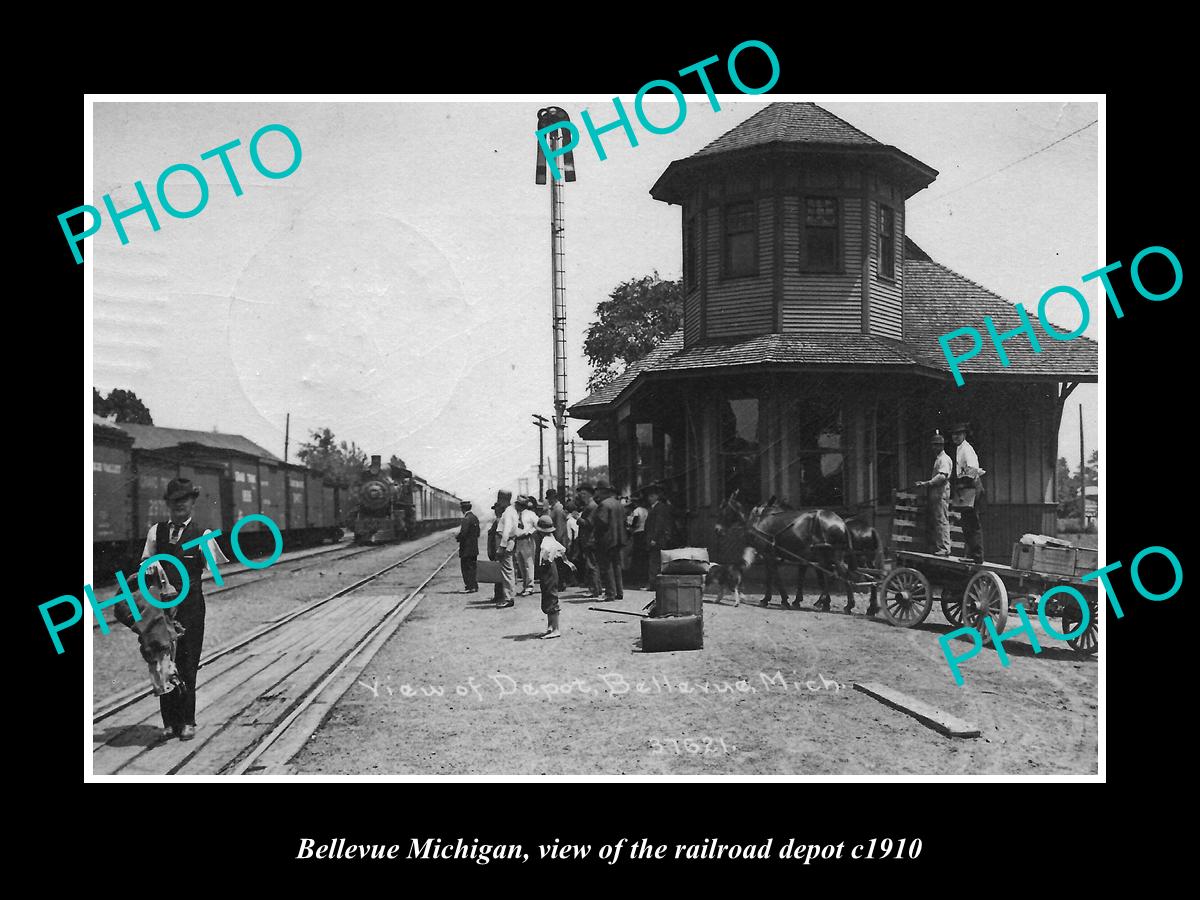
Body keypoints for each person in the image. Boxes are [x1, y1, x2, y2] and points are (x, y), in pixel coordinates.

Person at [141, 477, 229, 742]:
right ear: (168, 504)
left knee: (188, 664)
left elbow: (214, 568)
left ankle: (188, 722)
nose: (179, 506)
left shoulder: (202, 535)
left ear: (192, 503)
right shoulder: (156, 532)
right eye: (174, 501)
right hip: (161, 611)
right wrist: (152, 569)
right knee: (162, 663)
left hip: (191, 609)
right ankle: (169, 723)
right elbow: (144, 564)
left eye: (184, 501)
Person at [949, 422, 987, 563]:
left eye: (958, 434)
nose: (955, 437)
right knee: (966, 523)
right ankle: (971, 554)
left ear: (964, 435)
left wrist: (962, 481)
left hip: (971, 485)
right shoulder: (960, 449)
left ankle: (976, 556)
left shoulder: (966, 449)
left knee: (971, 522)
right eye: (953, 434)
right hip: (966, 485)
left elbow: (972, 469)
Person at [535, 514, 575, 639]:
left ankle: (556, 628)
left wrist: (545, 560)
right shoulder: (552, 539)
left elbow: (545, 556)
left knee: (551, 596)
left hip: (548, 569)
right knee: (548, 595)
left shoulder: (545, 542)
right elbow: (562, 551)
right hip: (551, 569)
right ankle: (551, 626)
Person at [915, 431, 953, 556]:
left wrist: (927, 483)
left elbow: (942, 476)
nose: (933, 448)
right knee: (938, 520)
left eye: (936, 445)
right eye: (933, 445)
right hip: (936, 494)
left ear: (941, 446)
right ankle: (941, 546)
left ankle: (944, 548)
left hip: (941, 493)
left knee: (942, 520)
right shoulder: (939, 459)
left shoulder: (944, 459)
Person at [591, 479, 627, 602]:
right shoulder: (618, 504)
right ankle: (619, 591)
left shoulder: (604, 505)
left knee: (607, 567)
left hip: (607, 540)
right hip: (619, 539)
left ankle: (610, 593)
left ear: (602, 491)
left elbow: (601, 523)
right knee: (617, 566)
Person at [644, 484, 674, 586]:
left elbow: (659, 524)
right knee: (654, 561)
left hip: (657, 540)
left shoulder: (659, 508)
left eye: (651, 496)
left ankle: (653, 583)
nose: (649, 498)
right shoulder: (656, 508)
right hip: (657, 539)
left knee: (654, 561)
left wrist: (654, 538)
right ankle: (654, 583)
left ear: (656, 496)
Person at [494, 489, 519, 608]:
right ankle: (509, 596)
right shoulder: (512, 511)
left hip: (506, 542)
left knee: (507, 572)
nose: (498, 502)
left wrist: (502, 546)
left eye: (499, 499)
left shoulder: (508, 512)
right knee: (509, 570)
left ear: (503, 499)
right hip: (510, 542)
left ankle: (508, 598)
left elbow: (507, 530)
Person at [575, 484, 600, 597]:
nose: (581, 497)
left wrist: (577, 518)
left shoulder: (591, 507)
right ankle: (595, 589)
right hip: (588, 539)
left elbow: (589, 524)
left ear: (590, 494)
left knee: (591, 566)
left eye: (583, 494)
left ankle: (594, 590)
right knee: (591, 565)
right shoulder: (590, 506)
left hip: (590, 540)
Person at [514, 496, 539, 596]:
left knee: (529, 564)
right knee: (521, 564)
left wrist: (529, 532)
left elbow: (538, 526)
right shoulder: (515, 515)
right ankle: (525, 585)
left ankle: (530, 587)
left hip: (527, 540)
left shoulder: (531, 514)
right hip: (518, 541)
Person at [626, 492, 650, 588]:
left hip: (638, 533)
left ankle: (637, 579)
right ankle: (644, 578)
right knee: (644, 557)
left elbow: (634, 523)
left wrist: (630, 528)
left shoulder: (636, 511)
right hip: (645, 532)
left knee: (637, 557)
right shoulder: (646, 510)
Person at [486, 501, 505, 605]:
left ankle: (500, 596)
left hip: (497, 551)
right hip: (496, 550)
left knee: (499, 575)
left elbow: (497, 538)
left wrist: (498, 551)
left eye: (496, 510)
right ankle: (498, 596)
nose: (495, 511)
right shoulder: (498, 521)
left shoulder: (499, 521)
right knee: (497, 574)